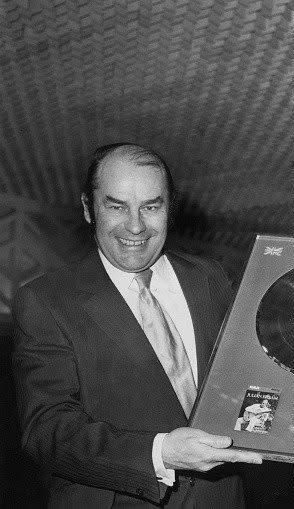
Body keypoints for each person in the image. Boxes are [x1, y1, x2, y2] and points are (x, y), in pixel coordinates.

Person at [11, 143, 262, 508]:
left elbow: (259, 361)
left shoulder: (210, 278)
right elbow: (47, 431)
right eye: (116, 206)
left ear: (169, 209)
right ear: (88, 209)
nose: (135, 226)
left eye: (151, 206)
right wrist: (161, 453)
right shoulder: (46, 301)